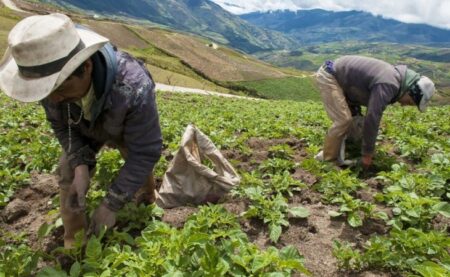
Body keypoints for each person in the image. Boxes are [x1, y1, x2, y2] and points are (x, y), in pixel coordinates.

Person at [0, 13, 162, 248]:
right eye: (47, 92)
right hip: (82, 126)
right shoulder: (48, 84)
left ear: (86, 67)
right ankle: (74, 243)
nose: (53, 99)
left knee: (133, 153)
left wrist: (111, 204)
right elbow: (60, 124)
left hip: (121, 123)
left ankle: (148, 194)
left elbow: (145, 151)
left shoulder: (134, 88)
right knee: (67, 170)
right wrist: (79, 165)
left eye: (59, 89)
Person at [314, 55, 435, 168]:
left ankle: (346, 149)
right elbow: (373, 118)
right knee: (343, 120)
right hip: (330, 75)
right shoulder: (389, 84)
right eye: (409, 102)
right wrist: (367, 154)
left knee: (356, 124)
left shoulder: (396, 82)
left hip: (348, 86)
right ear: (409, 92)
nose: (404, 105)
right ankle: (329, 161)